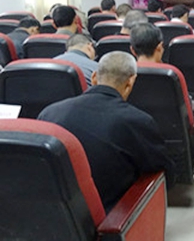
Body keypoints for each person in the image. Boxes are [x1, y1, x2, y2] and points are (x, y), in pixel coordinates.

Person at [38, 51, 174, 212]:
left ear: (94, 77)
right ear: (131, 81)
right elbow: (163, 172)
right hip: (111, 217)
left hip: (56, 214)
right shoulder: (137, 121)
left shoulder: (49, 113)